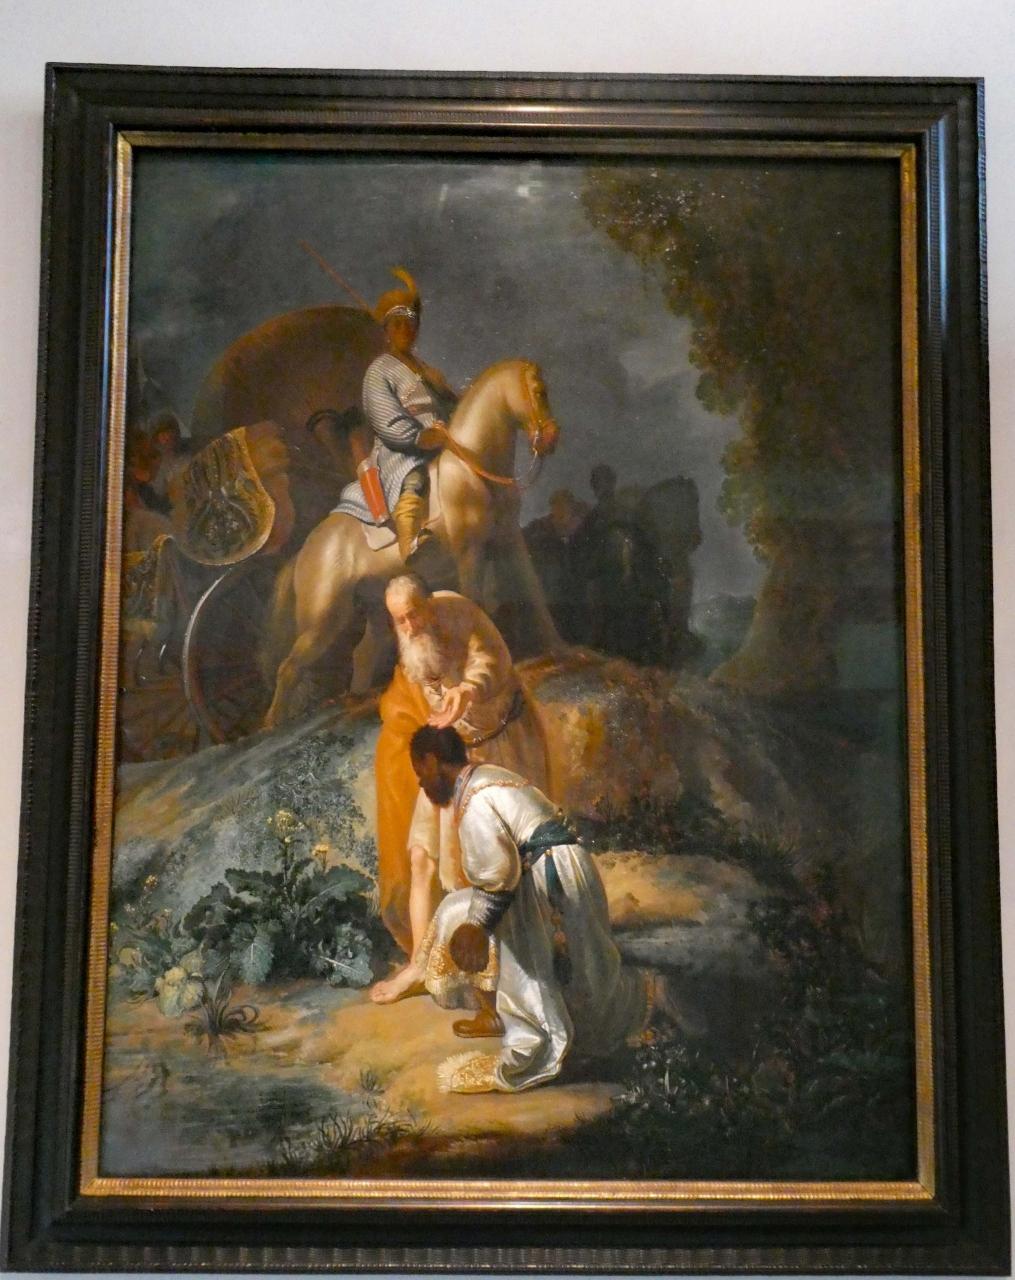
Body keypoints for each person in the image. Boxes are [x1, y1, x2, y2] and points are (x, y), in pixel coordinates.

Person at [390, 724, 649, 1093]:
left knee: (530, 958)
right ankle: (514, 1017)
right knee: (586, 967)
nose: (421, 783)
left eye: (421, 773)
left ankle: (533, 1049)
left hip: (551, 878)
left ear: (432, 761)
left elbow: (498, 876)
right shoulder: (490, 777)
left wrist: (476, 927)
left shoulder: (476, 799)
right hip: (568, 868)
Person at [371, 574, 550, 1013]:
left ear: (429, 605)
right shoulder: (409, 640)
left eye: (414, 615)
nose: (409, 626)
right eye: (399, 620)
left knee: (496, 861)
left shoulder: (460, 613)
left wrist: (467, 691)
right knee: (421, 857)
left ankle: (502, 964)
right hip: (453, 760)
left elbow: (491, 660)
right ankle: (419, 964)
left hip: (499, 747)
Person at [361, 268, 459, 560]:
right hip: (402, 448)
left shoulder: (428, 371)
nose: (406, 330)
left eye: (411, 324)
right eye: (398, 324)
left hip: (442, 436)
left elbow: (452, 406)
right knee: (414, 476)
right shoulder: (379, 370)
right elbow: (384, 417)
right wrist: (418, 437)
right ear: (387, 331)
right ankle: (410, 542)